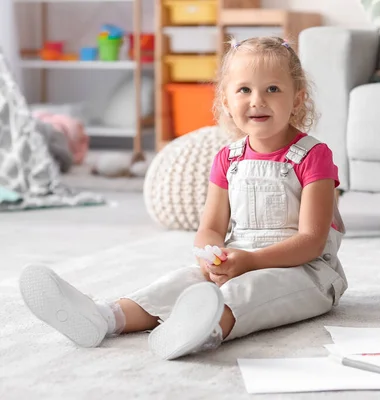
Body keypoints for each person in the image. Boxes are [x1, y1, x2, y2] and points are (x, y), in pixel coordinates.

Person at [19, 36, 348, 361]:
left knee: (249, 292)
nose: (257, 100)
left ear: (298, 99)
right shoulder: (228, 158)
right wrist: (211, 258)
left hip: (305, 272)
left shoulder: (312, 156)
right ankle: (104, 317)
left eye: (272, 89)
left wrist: (250, 262)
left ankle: (205, 330)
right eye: (244, 90)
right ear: (226, 100)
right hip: (238, 261)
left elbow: (312, 242)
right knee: (180, 281)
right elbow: (209, 228)